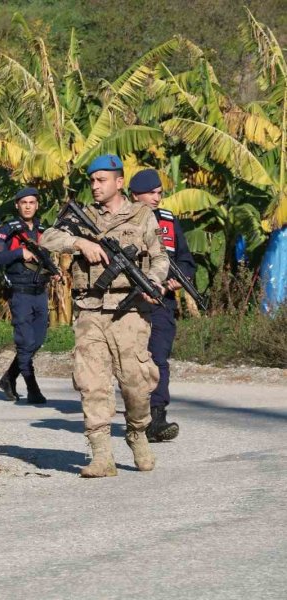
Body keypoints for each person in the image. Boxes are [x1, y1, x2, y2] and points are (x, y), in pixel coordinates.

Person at [40, 154, 169, 477]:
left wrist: (154, 281)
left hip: (130, 311)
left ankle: (137, 432)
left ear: (119, 182)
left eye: (102, 180)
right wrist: (79, 243)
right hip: (91, 309)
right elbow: (47, 237)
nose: (95, 186)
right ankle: (101, 455)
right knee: (91, 382)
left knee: (136, 383)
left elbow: (160, 257)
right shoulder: (81, 216)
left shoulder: (141, 215)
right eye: (92, 181)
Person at [129, 169, 196, 442]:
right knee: (131, 363)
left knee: (158, 358)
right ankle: (136, 415)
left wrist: (179, 280)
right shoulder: (121, 219)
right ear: (135, 195)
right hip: (130, 303)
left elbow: (186, 260)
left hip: (161, 301)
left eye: (159, 193)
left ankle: (157, 418)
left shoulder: (168, 220)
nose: (157, 198)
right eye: (151, 193)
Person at [0, 187, 53, 404]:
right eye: (24, 202)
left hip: (40, 293)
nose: (28, 206)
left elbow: (46, 259)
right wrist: (20, 253)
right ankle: (32, 388)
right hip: (20, 294)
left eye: (32, 202)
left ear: (37, 205)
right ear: (17, 205)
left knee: (37, 341)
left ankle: (9, 378)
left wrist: (53, 273)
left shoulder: (43, 231)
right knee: (25, 342)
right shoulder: (7, 230)